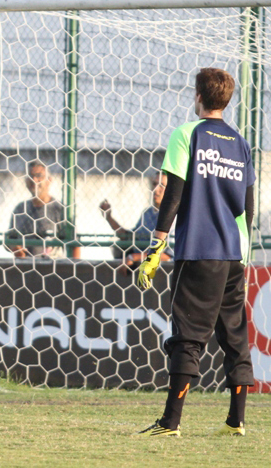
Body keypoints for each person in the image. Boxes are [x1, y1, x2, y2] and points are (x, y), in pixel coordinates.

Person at [137, 68, 255, 437]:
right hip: (235, 254)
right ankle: (236, 421)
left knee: (187, 335)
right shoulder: (240, 142)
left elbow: (172, 194)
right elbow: (248, 206)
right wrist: (244, 253)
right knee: (234, 336)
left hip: (200, 250)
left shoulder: (187, 134)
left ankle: (170, 422)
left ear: (198, 96)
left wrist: (156, 245)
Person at [100, 172, 174, 272]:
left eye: (162, 186)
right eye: (154, 184)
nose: (156, 190)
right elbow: (130, 237)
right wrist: (108, 217)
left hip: (161, 271)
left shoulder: (173, 217)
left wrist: (134, 257)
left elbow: (167, 255)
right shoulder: (147, 214)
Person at [7, 161, 78, 259]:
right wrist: (16, 249)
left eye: (39, 176)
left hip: (52, 268)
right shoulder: (20, 209)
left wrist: (75, 269)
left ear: (49, 181)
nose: (34, 180)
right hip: (24, 268)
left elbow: (75, 244)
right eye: (30, 176)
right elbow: (9, 240)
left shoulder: (59, 210)